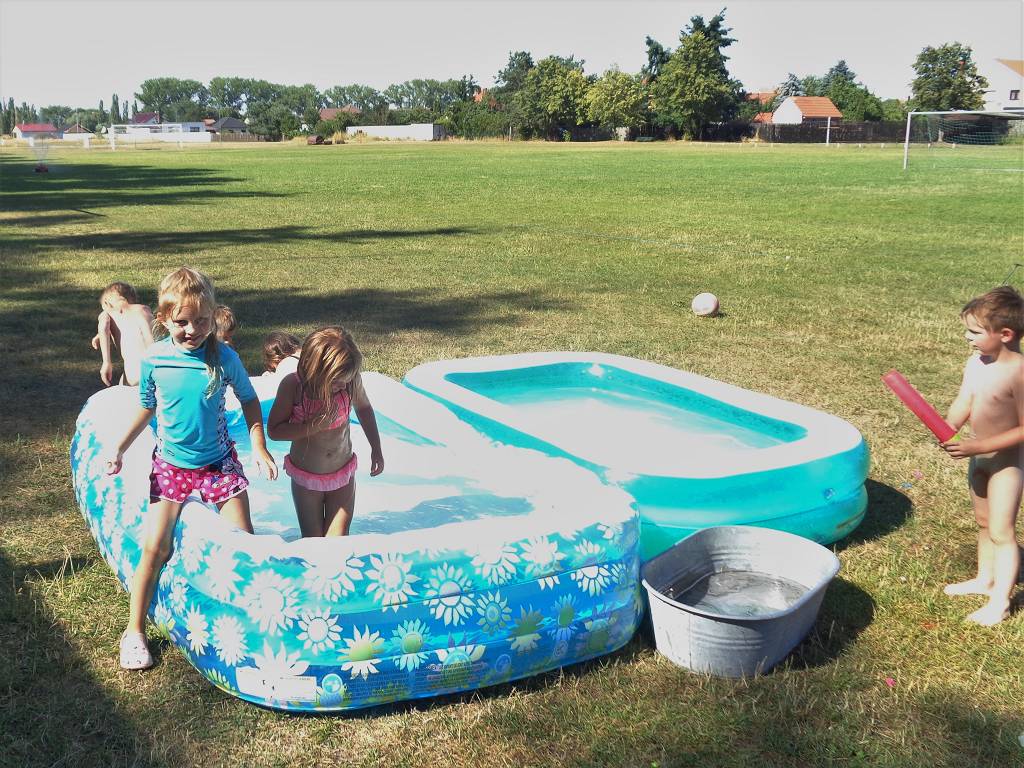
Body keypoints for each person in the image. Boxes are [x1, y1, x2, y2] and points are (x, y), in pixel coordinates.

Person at [105, 267, 277, 669]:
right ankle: (134, 631)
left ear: (212, 316)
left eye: (202, 320)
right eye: (182, 321)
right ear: (163, 319)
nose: (193, 330)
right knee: (155, 547)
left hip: (219, 464)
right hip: (172, 466)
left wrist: (258, 445)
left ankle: (246, 625)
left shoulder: (223, 357)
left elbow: (250, 400)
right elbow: (146, 407)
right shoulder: (155, 359)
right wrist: (119, 447)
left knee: (244, 545)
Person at [940, 285, 1024, 626]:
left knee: (1002, 530)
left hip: (1007, 463)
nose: (967, 337)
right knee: (984, 522)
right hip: (979, 458)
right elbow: (966, 400)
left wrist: (977, 446)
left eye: (975, 332)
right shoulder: (976, 363)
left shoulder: (1018, 371)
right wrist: (949, 425)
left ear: (1005, 334)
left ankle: (1000, 602)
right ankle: (985, 578)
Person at [267, 326, 384, 537]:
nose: (343, 386)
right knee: (313, 541)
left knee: (338, 541)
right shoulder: (293, 386)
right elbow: (274, 431)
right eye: (337, 382)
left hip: (342, 473)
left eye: (346, 379)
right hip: (307, 479)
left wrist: (376, 448)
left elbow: (364, 409)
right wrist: (312, 427)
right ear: (316, 370)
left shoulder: (350, 382)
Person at [91, 281, 155, 386]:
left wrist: (106, 362)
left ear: (106, 303)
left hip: (132, 374)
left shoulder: (107, 313)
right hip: (154, 368)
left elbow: (104, 325)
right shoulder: (143, 309)